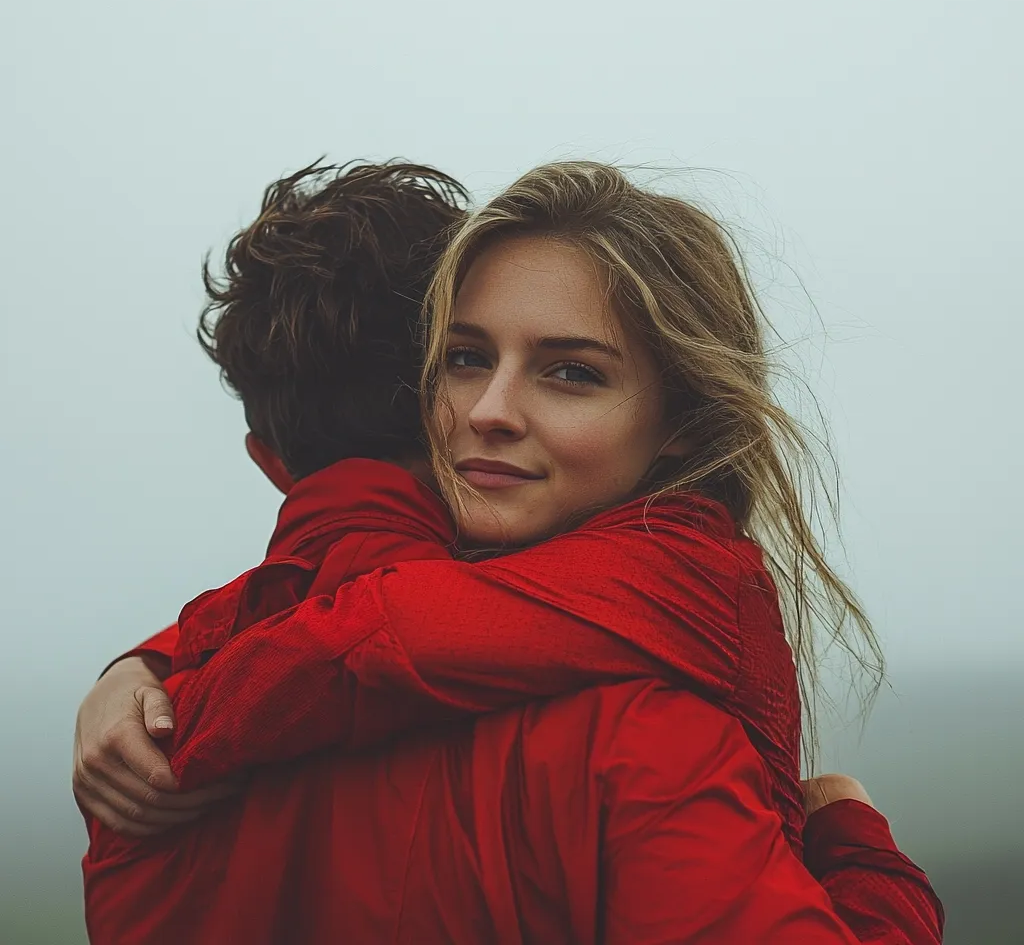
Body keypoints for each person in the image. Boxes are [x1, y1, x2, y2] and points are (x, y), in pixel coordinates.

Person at [76, 161, 943, 943]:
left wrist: (168, 675)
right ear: (419, 393)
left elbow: (384, 625)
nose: (491, 409)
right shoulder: (639, 734)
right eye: (464, 358)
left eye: (572, 372)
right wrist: (864, 860)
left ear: (685, 420)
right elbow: (392, 624)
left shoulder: (139, 757)